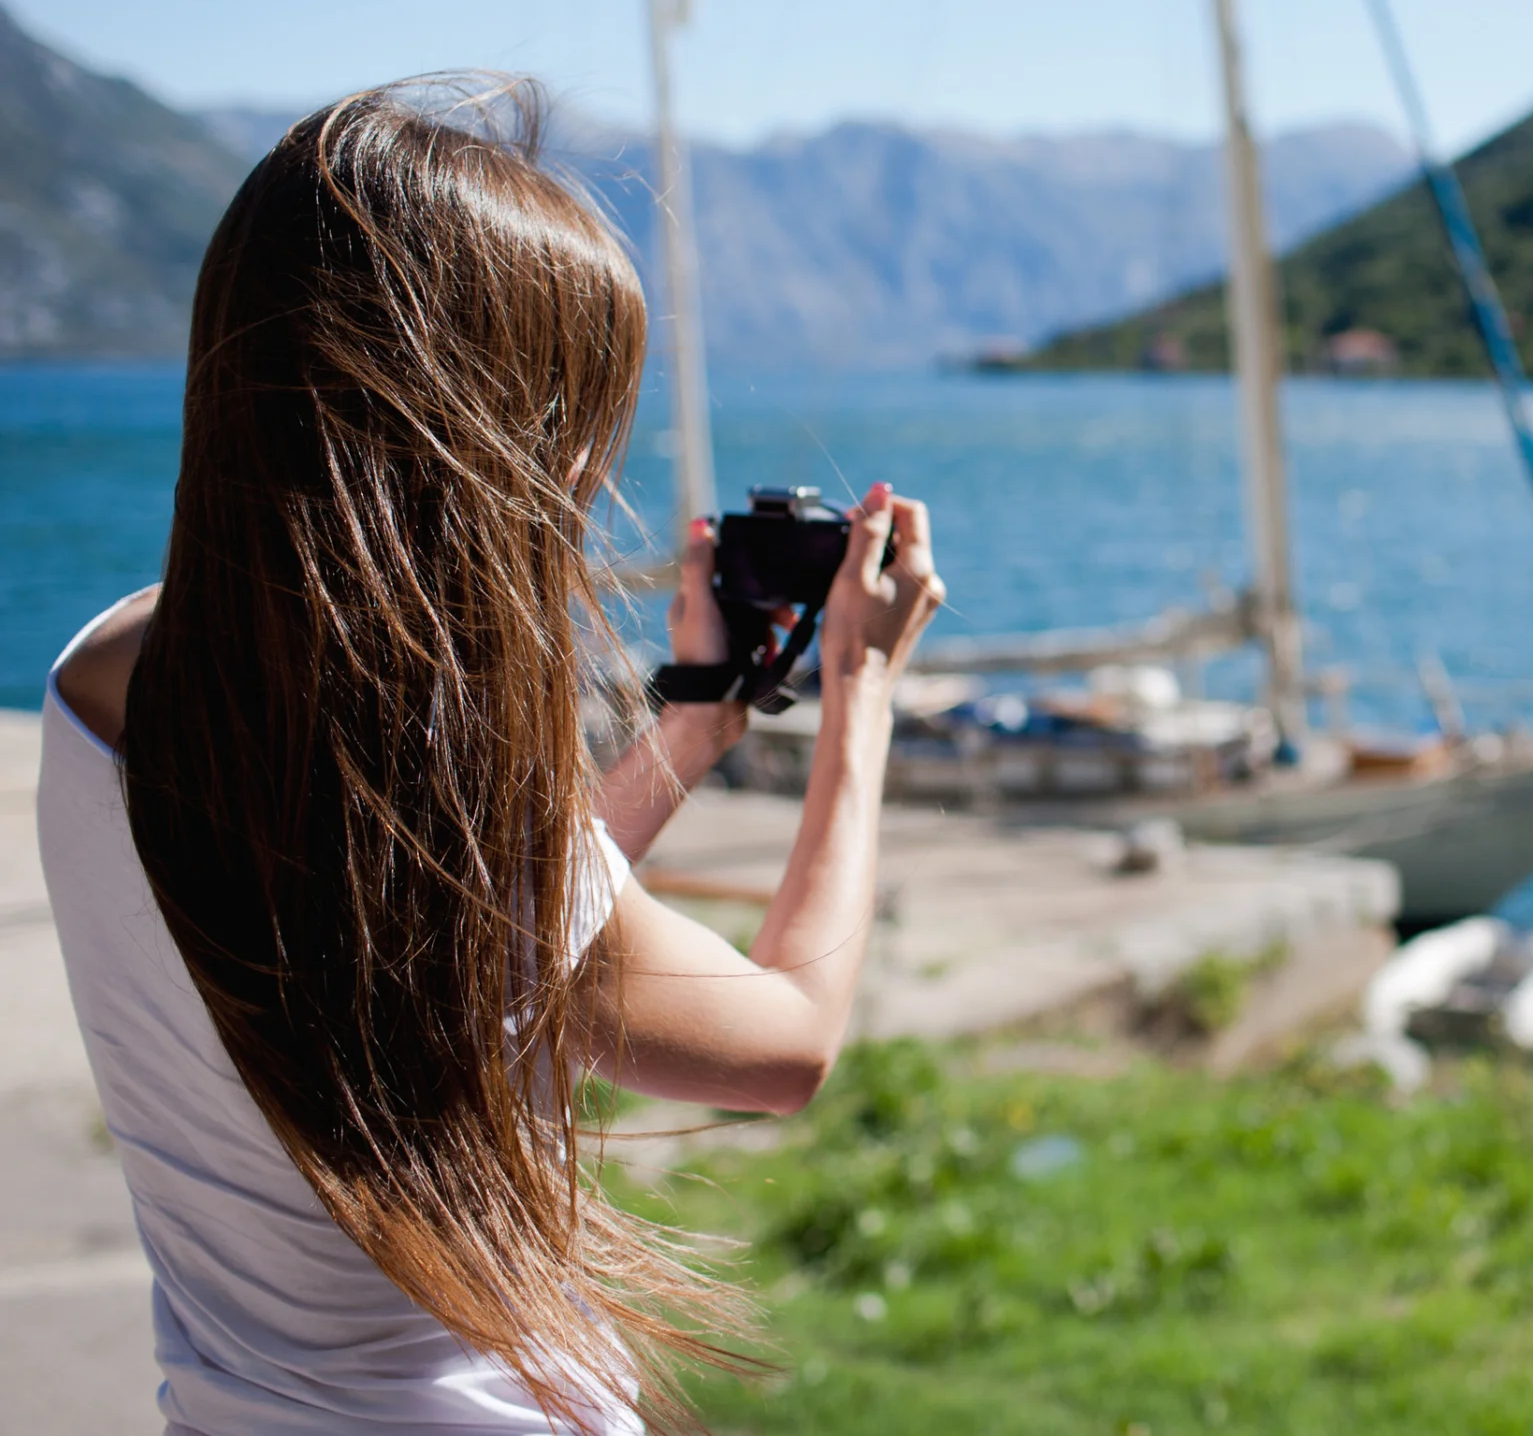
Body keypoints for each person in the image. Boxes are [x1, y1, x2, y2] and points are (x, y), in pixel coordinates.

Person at [37, 80, 942, 1434]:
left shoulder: (102, 687)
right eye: (583, 421)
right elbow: (788, 1042)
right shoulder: (458, 839)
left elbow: (448, 947)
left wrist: (687, 727)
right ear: (497, 443)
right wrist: (862, 692)